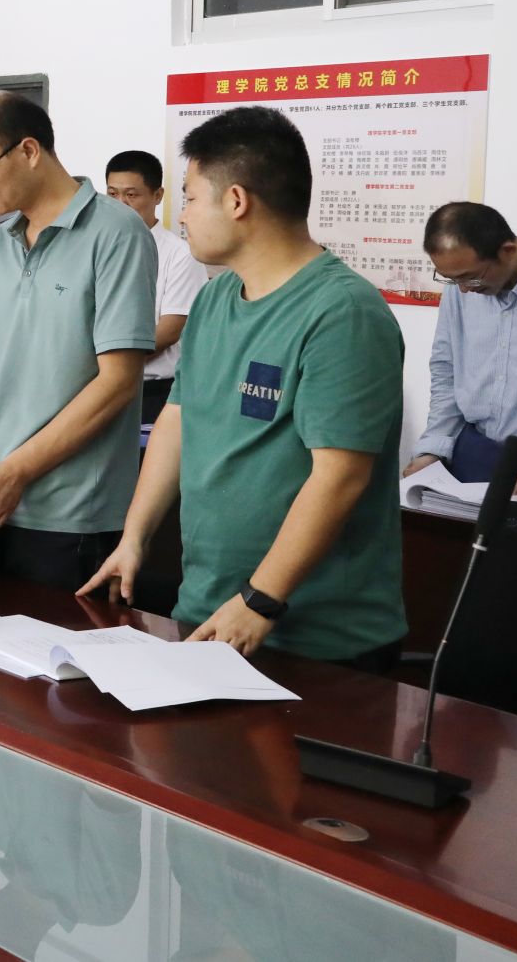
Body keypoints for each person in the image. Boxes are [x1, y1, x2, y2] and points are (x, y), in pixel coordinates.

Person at [82, 107, 408, 667]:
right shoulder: (215, 297)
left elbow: (340, 477)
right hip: (209, 610)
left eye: (190, 197)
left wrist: (261, 598)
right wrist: (134, 538)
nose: (183, 215)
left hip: (310, 636)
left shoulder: (342, 312)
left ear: (236, 201)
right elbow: (177, 420)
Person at [0, 93, 155, 590]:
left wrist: (15, 472)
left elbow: (118, 384)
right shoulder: (5, 239)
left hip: (68, 515)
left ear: (28, 150)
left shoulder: (116, 233)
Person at [404, 202, 517, 497]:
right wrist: (433, 447)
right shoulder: (463, 284)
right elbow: (446, 369)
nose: (463, 289)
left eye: (470, 277)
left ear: (507, 250)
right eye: (451, 279)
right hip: (473, 456)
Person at [107, 150, 208, 427]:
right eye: (112, 194)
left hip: (153, 393)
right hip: (99, 383)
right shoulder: (99, 248)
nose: (121, 204)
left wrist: (109, 362)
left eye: (131, 195)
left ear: (158, 195)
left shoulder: (180, 254)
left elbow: (169, 330)